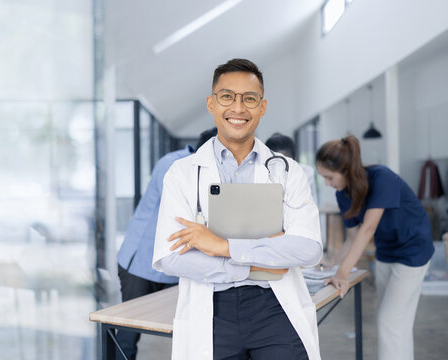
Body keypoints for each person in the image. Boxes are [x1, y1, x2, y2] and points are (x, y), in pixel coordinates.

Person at [152, 58, 323, 360]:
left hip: (276, 308)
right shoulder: (183, 173)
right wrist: (257, 261)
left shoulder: (288, 171)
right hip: (213, 311)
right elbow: (169, 257)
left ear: (262, 106)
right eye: (227, 96)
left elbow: (308, 249)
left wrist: (221, 246)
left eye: (250, 98)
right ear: (211, 103)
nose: (238, 108)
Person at [315, 135, 434, 360]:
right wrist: (333, 263)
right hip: (387, 251)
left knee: (389, 322)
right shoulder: (343, 195)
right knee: (397, 324)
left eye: (329, 177)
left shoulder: (382, 178)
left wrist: (342, 274)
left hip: (413, 250)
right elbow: (351, 237)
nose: (327, 184)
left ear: (346, 170)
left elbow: (367, 229)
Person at [116, 127, 218, 360]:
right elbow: (187, 210)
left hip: (172, 266)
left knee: (188, 331)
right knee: (128, 335)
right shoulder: (173, 164)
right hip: (140, 263)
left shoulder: (206, 170)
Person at [265, 132, 318, 202]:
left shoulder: (306, 172)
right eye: (276, 163)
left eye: (286, 161)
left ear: (294, 159)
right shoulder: (261, 172)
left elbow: (309, 203)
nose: (281, 168)